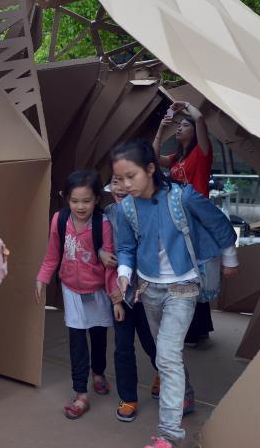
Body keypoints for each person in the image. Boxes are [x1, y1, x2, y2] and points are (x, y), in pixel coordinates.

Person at [111, 140, 239, 448]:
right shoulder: (124, 208)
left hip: (183, 287)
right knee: (165, 355)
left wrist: (230, 257)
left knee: (166, 356)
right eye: (120, 178)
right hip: (148, 288)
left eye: (132, 176)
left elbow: (219, 223)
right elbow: (126, 247)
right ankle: (186, 395)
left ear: (151, 169)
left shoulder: (183, 197)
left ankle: (169, 434)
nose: (126, 184)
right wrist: (124, 274)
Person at [34, 169, 116, 419]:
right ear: (66, 198)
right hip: (71, 289)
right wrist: (42, 278)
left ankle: (98, 372)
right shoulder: (60, 220)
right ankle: (81, 394)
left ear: (97, 200)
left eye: (87, 200)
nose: (80, 206)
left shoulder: (103, 224)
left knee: (99, 336)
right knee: (77, 341)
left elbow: (111, 263)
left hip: (98, 290)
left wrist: (115, 296)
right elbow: (52, 254)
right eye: (74, 200)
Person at [153, 101, 216, 348]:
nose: (180, 128)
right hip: (179, 222)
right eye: (178, 125)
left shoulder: (202, 153)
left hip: (197, 223)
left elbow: (201, 120)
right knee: (187, 275)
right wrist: (160, 130)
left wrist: (186, 106)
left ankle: (194, 330)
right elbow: (153, 158)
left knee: (191, 275)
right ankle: (197, 330)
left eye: (184, 125)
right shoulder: (177, 159)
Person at [101, 176, 159, 422]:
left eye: (127, 180)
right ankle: (128, 397)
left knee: (151, 341)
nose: (121, 187)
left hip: (148, 291)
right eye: (115, 182)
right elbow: (98, 245)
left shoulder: (152, 209)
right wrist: (100, 252)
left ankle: (162, 374)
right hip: (120, 292)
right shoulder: (107, 213)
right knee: (123, 347)